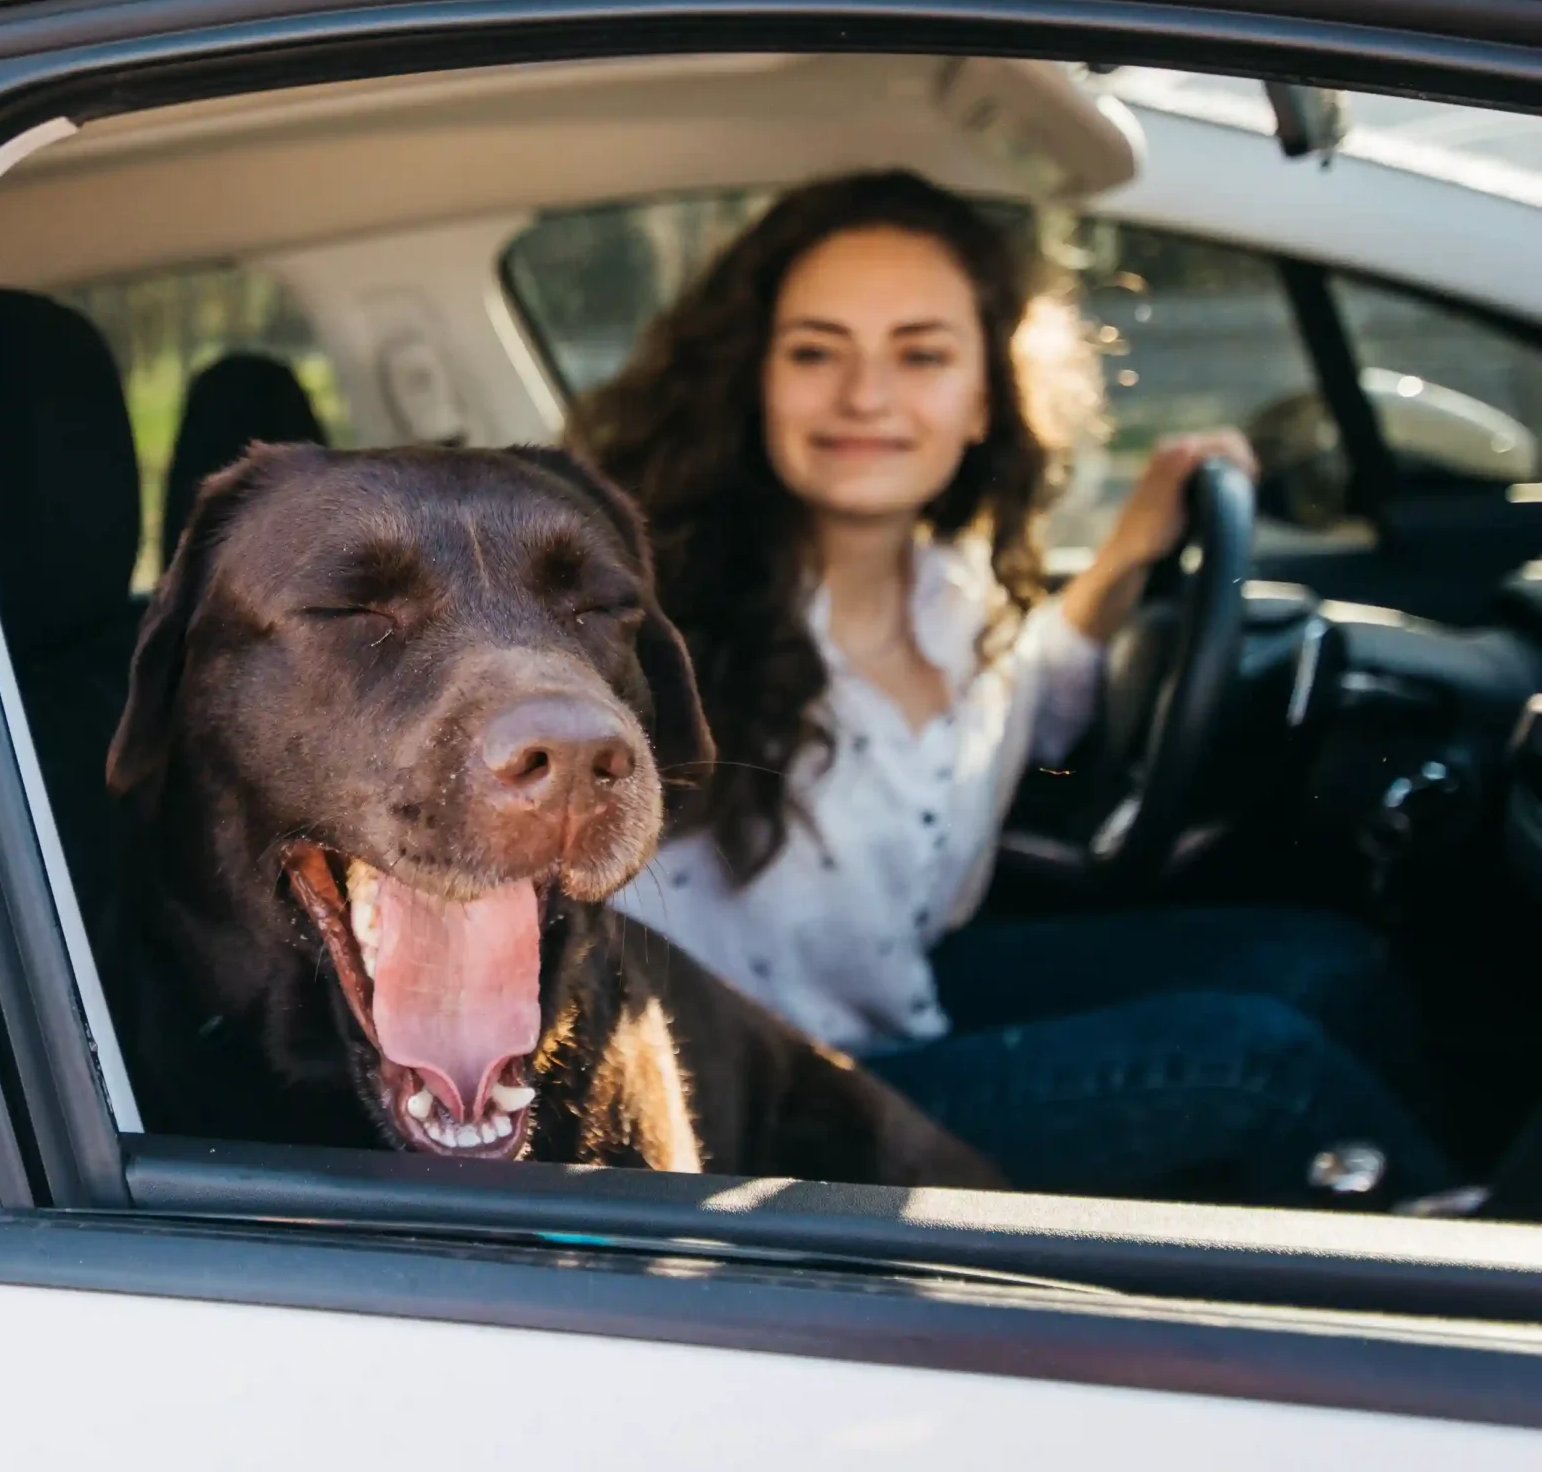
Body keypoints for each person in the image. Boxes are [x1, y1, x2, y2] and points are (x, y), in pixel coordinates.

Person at [572, 169, 1449, 1207]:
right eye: (815, 351)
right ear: (752, 381)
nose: (865, 396)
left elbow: (1028, 705)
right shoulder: (652, 631)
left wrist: (1126, 559)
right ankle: (1458, 1271)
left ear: (985, 394)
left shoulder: (951, 591)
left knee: (1323, 962)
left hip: (895, 1005)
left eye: (921, 354)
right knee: (1258, 1064)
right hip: (757, 1108)